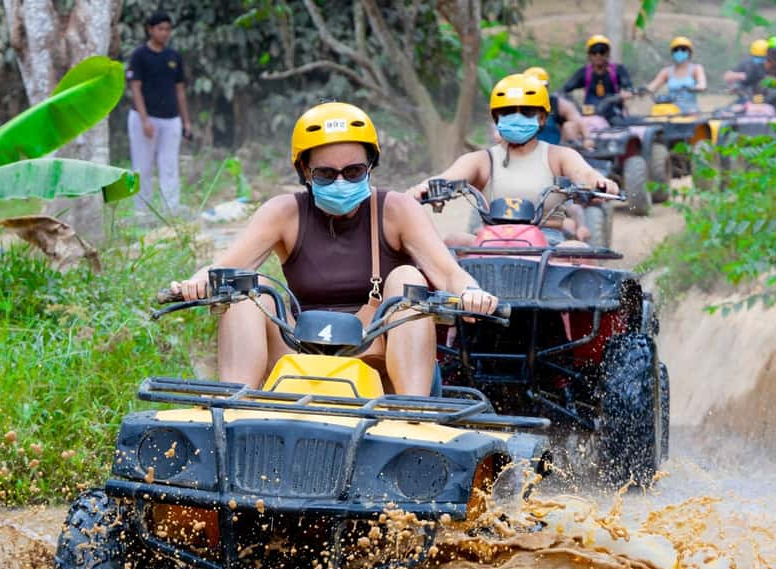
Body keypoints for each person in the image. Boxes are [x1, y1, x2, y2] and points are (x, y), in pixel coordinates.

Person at [169, 102, 499, 396]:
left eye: (353, 172)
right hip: (299, 352)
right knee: (249, 288)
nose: (341, 182)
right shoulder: (283, 212)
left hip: (377, 354)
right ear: (304, 172)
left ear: (370, 166)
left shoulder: (396, 209)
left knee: (407, 277)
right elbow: (225, 267)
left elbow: (448, 272)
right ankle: (234, 414)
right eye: (326, 174)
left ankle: (413, 415)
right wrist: (195, 283)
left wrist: (471, 292)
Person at [408, 75, 620, 245]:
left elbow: (584, 173)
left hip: (550, 244)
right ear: (496, 118)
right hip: (490, 244)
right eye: (508, 112)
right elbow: (447, 178)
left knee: (576, 249)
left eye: (526, 112)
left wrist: (599, 182)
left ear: (542, 118)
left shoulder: (559, 156)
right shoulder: (482, 160)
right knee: (452, 241)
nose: (517, 118)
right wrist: (424, 188)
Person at [127, 11, 191, 215]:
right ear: (150, 29)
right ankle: (141, 211)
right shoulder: (139, 55)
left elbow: (179, 90)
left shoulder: (174, 56)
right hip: (143, 118)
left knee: (169, 164)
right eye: (160, 29)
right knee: (142, 165)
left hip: (171, 119)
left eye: (168, 29)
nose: (165, 33)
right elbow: (135, 88)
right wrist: (145, 120)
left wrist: (186, 121)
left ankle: (170, 208)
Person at [561, 35, 634, 122]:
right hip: (589, 116)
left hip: (613, 115)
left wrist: (620, 96)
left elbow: (629, 90)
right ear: (589, 55)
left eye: (602, 51)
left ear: (607, 53)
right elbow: (564, 89)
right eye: (594, 52)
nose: (598, 55)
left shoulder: (618, 70)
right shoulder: (583, 73)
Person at [522, 66, 592, 148]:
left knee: (570, 126)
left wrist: (588, 138)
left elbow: (578, 120)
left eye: (542, 87)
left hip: (554, 149)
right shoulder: (518, 104)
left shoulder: (556, 103)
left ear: (547, 87)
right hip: (525, 149)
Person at [645, 36, 707, 113]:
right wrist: (641, 91)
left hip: (690, 110)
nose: (679, 52)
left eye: (683, 49)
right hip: (670, 110)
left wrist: (696, 88)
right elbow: (652, 86)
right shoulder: (666, 71)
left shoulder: (696, 69)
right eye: (676, 50)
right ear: (672, 53)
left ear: (689, 52)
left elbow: (702, 85)